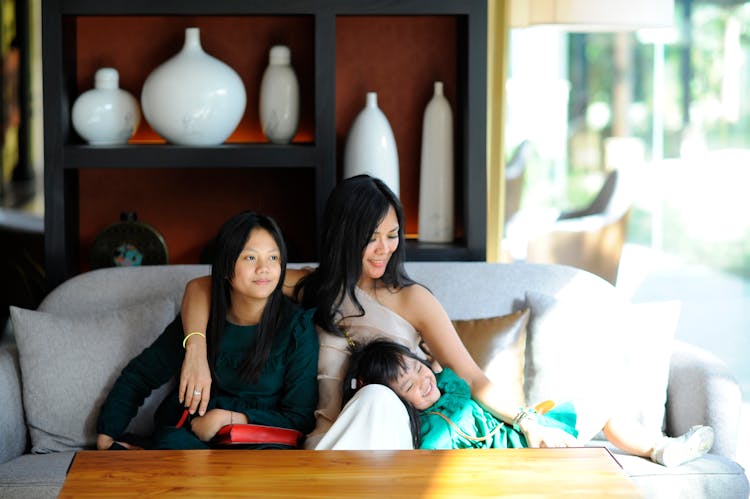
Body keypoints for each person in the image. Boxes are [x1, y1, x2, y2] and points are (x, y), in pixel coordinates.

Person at [177, 175, 679, 450]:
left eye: (392, 235)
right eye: (369, 236)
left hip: (396, 440)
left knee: (376, 398)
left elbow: (472, 376)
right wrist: (195, 348)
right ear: (343, 235)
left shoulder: (414, 299)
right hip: (327, 440)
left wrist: (527, 419)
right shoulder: (310, 285)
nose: (382, 248)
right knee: (360, 410)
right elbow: (203, 284)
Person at [96, 211, 318, 450]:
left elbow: (300, 418)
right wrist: (107, 433)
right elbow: (141, 375)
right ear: (225, 267)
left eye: (273, 258)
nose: (264, 268)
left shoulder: (297, 328)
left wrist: (231, 419)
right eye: (250, 258)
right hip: (192, 440)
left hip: (261, 444)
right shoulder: (201, 320)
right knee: (172, 446)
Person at [343, 339, 714, 467]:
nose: (421, 383)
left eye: (415, 369)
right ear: (400, 403)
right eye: (408, 387)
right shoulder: (430, 429)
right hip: (518, 452)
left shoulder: (447, 386)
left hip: (528, 427)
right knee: (600, 417)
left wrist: (429, 361)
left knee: (600, 404)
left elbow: (440, 373)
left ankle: (660, 447)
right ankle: (656, 447)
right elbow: (434, 462)